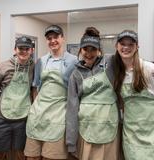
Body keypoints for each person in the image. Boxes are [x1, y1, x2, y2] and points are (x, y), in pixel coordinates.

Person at [24, 25, 78, 160]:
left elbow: (76, 90)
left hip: (58, 115)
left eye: (56, 37)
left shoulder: (73, 61)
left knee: (52, 157)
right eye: (49, 38)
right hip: (37, 115)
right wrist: (34, 109)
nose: (52, 40)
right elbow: (35, 88)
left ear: (62, 38)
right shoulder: (41, 61)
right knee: (32, 156)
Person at [66, 27, 119, 160]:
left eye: (93, 49)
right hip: (86, 129)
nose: (89, 54)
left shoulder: (110, 64)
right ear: (80, 50)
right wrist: (71, 142)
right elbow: (72, 109)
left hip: (109, 127)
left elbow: (129, 61)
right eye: (85, 49)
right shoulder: (75, 74)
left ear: (99, 50)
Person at [113, 30, 154, 160]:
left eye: (130, 44)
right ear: (116, 46)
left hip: (150, 134)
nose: (126, 47)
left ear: (137, 47)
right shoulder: (118, 73)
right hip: (130, 134)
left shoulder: (148, 68)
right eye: (122, 44)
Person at [0, 36, 34, 160]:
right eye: (21, 48)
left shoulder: (34, 67)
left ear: (31, 50)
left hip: (22, 119)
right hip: (1, 118)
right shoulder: (3, 66)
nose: (24, 51)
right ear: (15, 49)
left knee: (20, 153)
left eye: (27, 49)